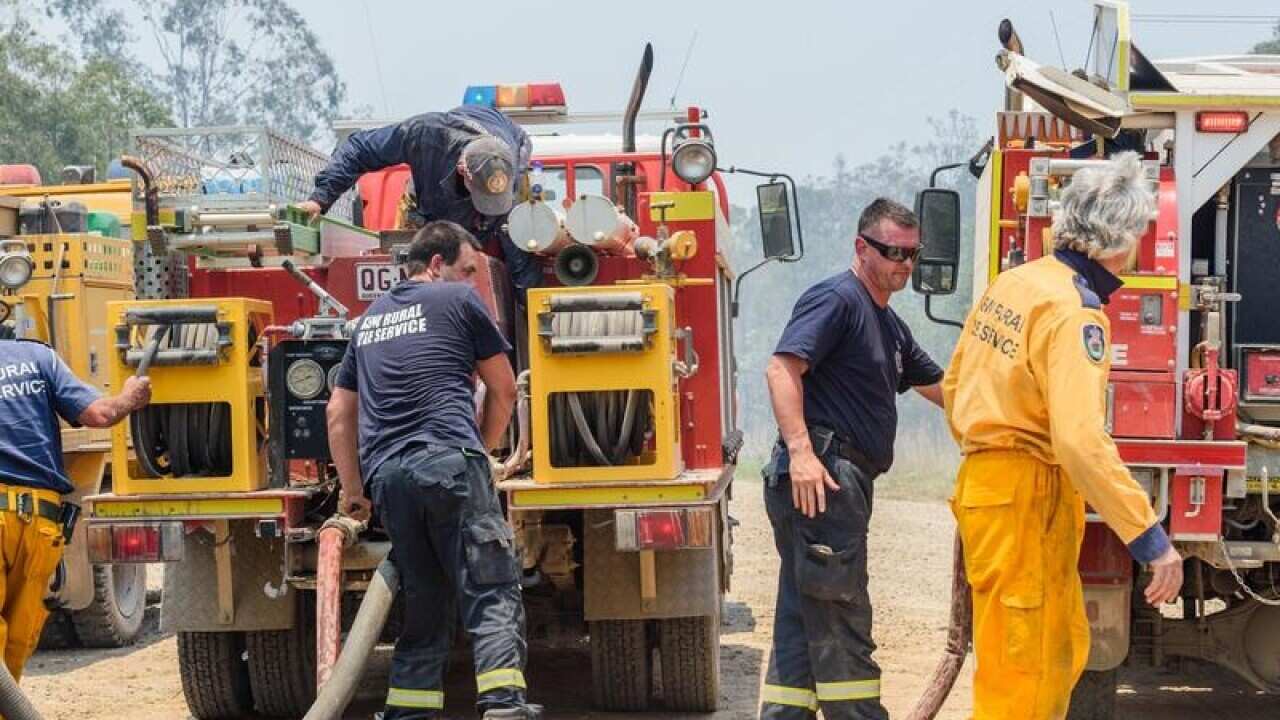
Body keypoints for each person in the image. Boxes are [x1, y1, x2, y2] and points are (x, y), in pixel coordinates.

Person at [942, 152, 1183, 719]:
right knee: (1026, 670)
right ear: (1116, 241)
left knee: (1051, 649)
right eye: (1139, 236)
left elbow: (956, 385)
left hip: (990, 487)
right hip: (1028, 497)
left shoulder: (1015, 284)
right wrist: (1152, 541)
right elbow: (1079, 441)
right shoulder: (1075, 312)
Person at [326, 221, 538, 720]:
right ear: (437, 264)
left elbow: (338, 413)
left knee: (423, 598)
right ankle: (504, 706)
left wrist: (354, 491)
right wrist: (479, 453)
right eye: (467, 270)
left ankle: (411, 712)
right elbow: (504, 391)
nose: (471, 281)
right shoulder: (459, 301)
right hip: (449, 463)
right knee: (489, 586)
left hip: (388, 478)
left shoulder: (370, 319)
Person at [760, 198, 945, 719]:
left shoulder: (889, 326)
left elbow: (942, 389)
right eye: (893, 252)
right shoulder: (837, 299)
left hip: (840, 481)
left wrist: (1011, 409)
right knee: (840, 616)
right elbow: (781, 369)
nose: (904, 265)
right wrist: (800, 452)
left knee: (805, 614)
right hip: (823, 477)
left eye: (913, 254)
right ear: (861, 247)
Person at [0, 337, 151, 681]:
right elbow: (100, 414)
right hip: (38, 523)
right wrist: (130, 397)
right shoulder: (37, 357)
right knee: (14, 652)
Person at [298, 105, 541, 295]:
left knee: (521, 261)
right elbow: (357, 148)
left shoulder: (510, 166)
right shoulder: (425, 136)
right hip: (432, 196)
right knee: (409, 262)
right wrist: (320, 200)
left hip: (507, 149)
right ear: (462, 169)